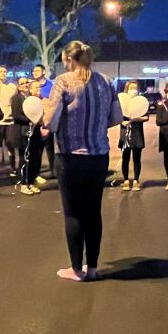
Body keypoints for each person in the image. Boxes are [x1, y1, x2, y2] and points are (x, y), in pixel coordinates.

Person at [43, 41, 123, 281]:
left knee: (73, 214)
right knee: (93, 212)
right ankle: (94, 267)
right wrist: (96, 127)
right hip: (98, 157)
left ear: (69, 59)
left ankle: (77, 269)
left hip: (70, 158)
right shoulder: (106, 82)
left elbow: (51, 122)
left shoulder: (64, 82)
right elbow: (117, 116)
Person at [11, 77, 43, 195]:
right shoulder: (16, 98)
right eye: (22, 83)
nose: (25, 85)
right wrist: (30, 120)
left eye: (26, 83)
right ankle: (24, 183)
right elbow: (15, 116)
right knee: (25, 158)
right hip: (23, 132)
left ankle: (31, 181)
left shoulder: (32, 98)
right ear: (18, 86)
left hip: (35, 131)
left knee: (35, 156)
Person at [118, 81, 148, 191]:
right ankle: (126, 180)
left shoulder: (141, 102)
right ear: (127, 89)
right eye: (131, 88)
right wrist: (122, 122)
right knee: (125, 158)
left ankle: (136, 180)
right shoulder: (121, 101)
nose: (133, 90)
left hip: (137, 133)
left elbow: (146, 117)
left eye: (135, 88)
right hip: (124, 132)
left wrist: (136, 119)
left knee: (137, 158)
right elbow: (116, 116)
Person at [0, 66, 17, 176]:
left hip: (10, 120)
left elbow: (12, 98)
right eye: (0, 71)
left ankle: (13, 167)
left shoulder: (11, 85)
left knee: (10, 145)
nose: (3, 73)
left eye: (5, 71)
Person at [32, 64, 56, 180]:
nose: (35, 73)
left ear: (44, 72)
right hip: (36, 121)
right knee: (37, 149)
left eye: (37, 70)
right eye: (33, 71)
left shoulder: (51, 85)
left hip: (47, 120)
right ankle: (36, 172)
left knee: (50, 147)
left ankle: (54, 170)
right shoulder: (31, 85)